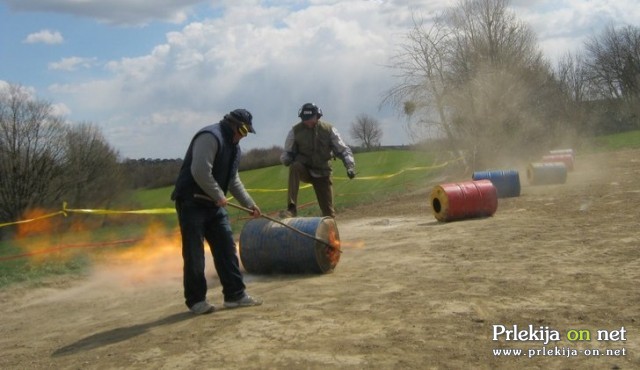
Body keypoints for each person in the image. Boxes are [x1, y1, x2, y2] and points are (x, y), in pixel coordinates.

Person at [171, 108, 263, 314]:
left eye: (247, 132)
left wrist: (249, 203)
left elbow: (232, 179)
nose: (243, 136)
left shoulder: (234, 148)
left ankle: (235, 295)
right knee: (195, 255)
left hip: (213, 205)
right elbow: (200, 170)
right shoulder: (210, 137)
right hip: (191, 203)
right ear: (234, 126)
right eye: (243, 131)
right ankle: (196, 301)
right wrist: (218, 195)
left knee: (227, 249)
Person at [280, 102, 356, 218]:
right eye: (305, 119)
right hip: (305, 170)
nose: (308, 121)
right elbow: (286, 153)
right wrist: (286, 159)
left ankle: (328, 232)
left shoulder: (329, 130)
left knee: (329, 214)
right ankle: (291, 209)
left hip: (323, 173)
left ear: (317, 116)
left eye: (310, 118)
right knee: (295, 166)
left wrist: (350, 166)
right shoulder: (295, 131)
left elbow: (343, 150)